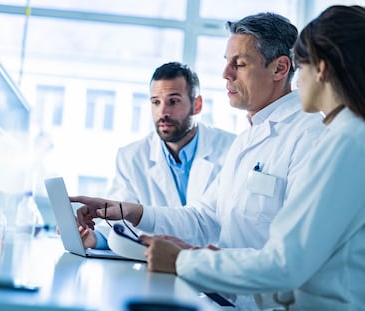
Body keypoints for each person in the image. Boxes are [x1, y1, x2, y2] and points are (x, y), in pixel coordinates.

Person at [72, 12, 326, 309]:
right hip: (231, 299)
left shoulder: (310, 136)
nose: (225, 74)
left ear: (280, 68)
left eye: (239, 64)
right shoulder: (248, 138)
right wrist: (128, 211)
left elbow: (293, 258)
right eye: (227, 62)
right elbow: (203, 217)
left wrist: (191, 258)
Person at [139, 5, 365, 310]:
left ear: (321, 68)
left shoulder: (342, 140)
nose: (298, 82)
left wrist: (186, 261)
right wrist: (202, 258)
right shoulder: (341, 134)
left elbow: (286, 263)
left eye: (301, 65)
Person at [79, 61, 237, 249]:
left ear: (197, 105)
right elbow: (119, 224)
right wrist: (93, 238)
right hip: (155, 267)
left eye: (173, 101)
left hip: (211, 268)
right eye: (156, 102)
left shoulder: (232, 150)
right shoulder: (131, 157)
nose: (163, 112)